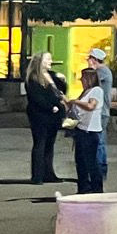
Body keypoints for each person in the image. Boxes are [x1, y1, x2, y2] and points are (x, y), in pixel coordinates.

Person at [24, 52, 68, 186]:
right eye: (47, 59)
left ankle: (49, 173)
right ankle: (37, 175)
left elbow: (60, 91)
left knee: (50, 145)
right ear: (40, 61)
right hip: (40, 116)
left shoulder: (53, 76)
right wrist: (50, 107)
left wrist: (62, 80)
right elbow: (36, 97)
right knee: (40, 144)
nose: (51, 61)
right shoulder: (33, 78)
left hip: (53, 116)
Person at [68, 67, 109, 194]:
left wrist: (76, 101)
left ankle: (96, 188)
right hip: (81, 129)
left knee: (90, 162)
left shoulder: (96, 91)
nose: (81, 80)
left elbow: (91, 106)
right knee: (80, 161)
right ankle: (83, 187)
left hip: (90, 131)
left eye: (83, 78)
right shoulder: (86, 91)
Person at [87, 47, 114, 180]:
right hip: (103, 111)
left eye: (89, 58)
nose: (88, 61)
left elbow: (90, 85)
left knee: (99, 142)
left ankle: (100, 170)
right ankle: (99, 170)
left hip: (101, 112)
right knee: (99, 141)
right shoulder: (104, 71)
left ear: (94, 59)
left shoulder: (101, 72)